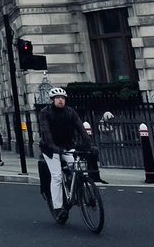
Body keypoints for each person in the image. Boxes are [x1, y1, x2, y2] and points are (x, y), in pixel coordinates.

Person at [38, 87, 92, 224]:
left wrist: (88, 144)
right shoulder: (45, 113)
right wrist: (54, 147)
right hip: (50, 148)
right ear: (52, 100)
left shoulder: (70, 112)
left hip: (67, 145)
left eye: (63, 98)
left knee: (77, 168)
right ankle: (58, 208)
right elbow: (46, 132)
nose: (61, 100)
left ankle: (75, 191)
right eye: (57, 98)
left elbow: (80, 128)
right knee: (56, 176)